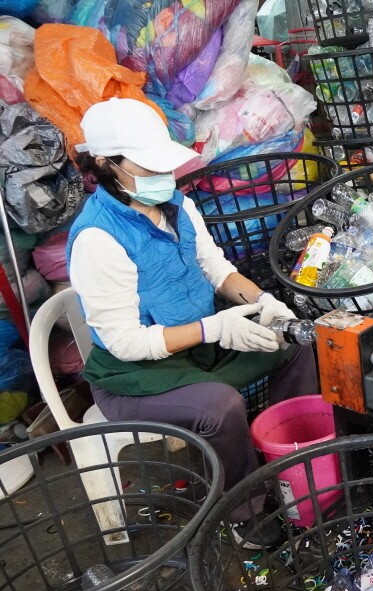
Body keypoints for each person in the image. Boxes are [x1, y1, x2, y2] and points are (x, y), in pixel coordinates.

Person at [67, 98, 318, 550]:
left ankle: (289, 464)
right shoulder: (98, 238)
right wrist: (215, 329)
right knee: (217, 408)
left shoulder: (177, 206)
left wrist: (264, 302)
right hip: (136, 373)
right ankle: (244, 509)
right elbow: (124, 342)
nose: (164, 176)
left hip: (200, 344)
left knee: (294, 343)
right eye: (147, 165)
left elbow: (215, 268)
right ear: (105, 164)